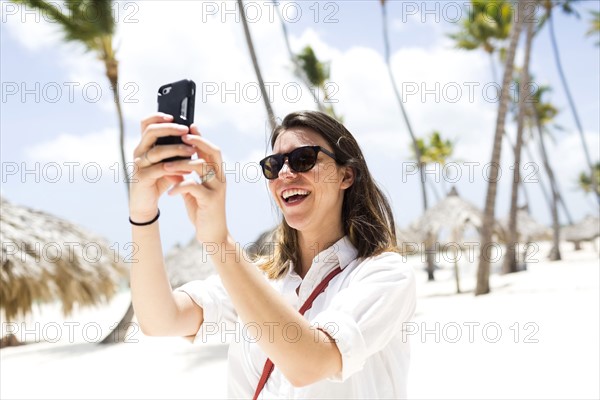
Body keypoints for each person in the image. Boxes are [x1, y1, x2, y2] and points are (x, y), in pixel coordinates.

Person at [129, 110, 416, 399]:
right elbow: (160, 320)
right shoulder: (261, 279)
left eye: (304, 159)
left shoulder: (385, 275)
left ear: (346, 175)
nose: (285, 173)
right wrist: (142, 213)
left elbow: (311, 363)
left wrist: (220, 243)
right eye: (274, 164)